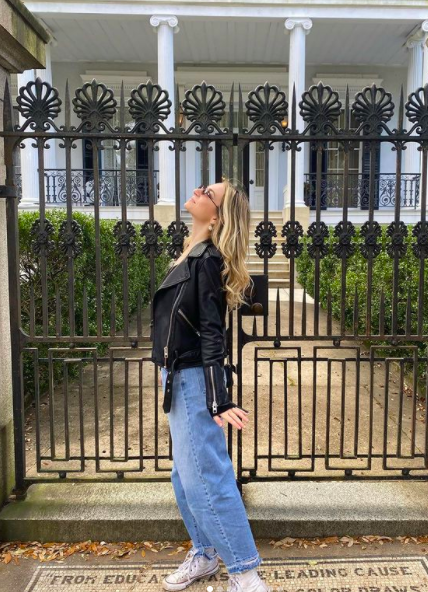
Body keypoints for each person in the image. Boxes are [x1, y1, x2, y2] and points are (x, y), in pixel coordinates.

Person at [150, 178, 270, 592]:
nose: (199, 191)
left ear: (217, 217)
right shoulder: (192, 253)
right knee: (184, 477)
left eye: (209, 193)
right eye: (203, 187)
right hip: (177, 376)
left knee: (207, 477)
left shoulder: (206, 260)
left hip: (192, 379)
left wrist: (219, 400)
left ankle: (246, 574)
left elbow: (212, 334)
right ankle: (204, 554)